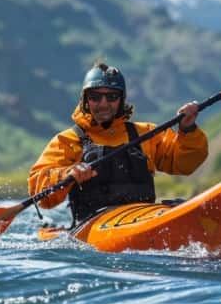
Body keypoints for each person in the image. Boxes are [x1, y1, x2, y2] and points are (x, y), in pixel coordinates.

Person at [28, 62, 208, 226]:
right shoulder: (69, 140)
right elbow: (40, 191)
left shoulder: (145, 133)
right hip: (93, 227)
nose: (103, 104)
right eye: (95, 97)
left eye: (112, 96)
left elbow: (185, 164)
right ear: (85, 100)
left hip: (145, 217)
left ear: (121, 100)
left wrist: (188, 129)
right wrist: (66, 174)